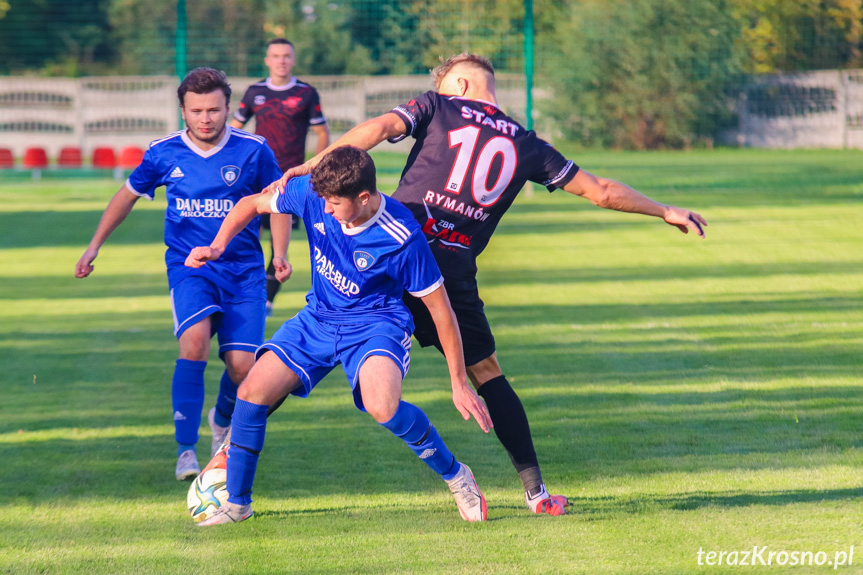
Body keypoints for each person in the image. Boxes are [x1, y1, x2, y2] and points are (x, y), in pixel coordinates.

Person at [274, 54, 708, 516]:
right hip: (450, 275)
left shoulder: (438, 107)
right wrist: (663, 210)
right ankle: (537, 495)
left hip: (388, 251)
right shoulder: (528, 145)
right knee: (488, 375)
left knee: (320, 330)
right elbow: (600, 190)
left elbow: (379, 128)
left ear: (458, 84)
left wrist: (316, 165)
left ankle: (230, 444)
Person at [185, 146, 493, 525]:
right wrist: (217, 245)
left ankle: (456, 475)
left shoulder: (401, 236)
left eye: (334, 204)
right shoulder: (314, 195)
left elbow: (441, 311)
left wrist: (459, 382)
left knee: (383, 407)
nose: (326, 210)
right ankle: (237, 504)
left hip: (375, 324)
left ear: (363, 198)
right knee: (250, 393)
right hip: (318, 317)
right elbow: (252, 203)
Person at [75, 67, 289, 480]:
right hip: (189, 268)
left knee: (244, 366)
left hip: (243, 271)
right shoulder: (163, 152)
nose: (205, 118)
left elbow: (276, 202)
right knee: (193, 345)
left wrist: (279, 254)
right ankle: (186, 451)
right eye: (196, 111)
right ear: (182, 111)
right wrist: (94, 245)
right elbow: (128, 195)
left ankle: (221, 419)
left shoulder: (253, 149)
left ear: (229, 109)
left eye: (213, 109)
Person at [230, 37, 330, 317]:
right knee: (249, 233)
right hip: (257, 177)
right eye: (275, 55)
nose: (281, 60)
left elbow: (322, 132)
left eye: (286, 55)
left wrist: (313, 168)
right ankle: (246, 290)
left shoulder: (306, 93)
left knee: (279, 242)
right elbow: (234, 129)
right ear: (267, 60)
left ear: (293, 59)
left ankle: (267, 300)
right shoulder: (254, 92)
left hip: (290, 181)